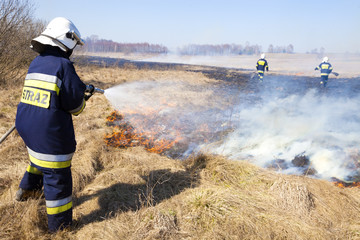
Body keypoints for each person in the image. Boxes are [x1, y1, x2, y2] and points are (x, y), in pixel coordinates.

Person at [15, 17, 93, 232]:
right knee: (57, 178)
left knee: (38, 159)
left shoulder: (37, 61)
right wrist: (83, 97)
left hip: (27, 127)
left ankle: (27, 191)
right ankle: (60, 228)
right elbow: (74, 107)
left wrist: (78, 90)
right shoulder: (64, 65)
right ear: (66, 41)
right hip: (49, 134)